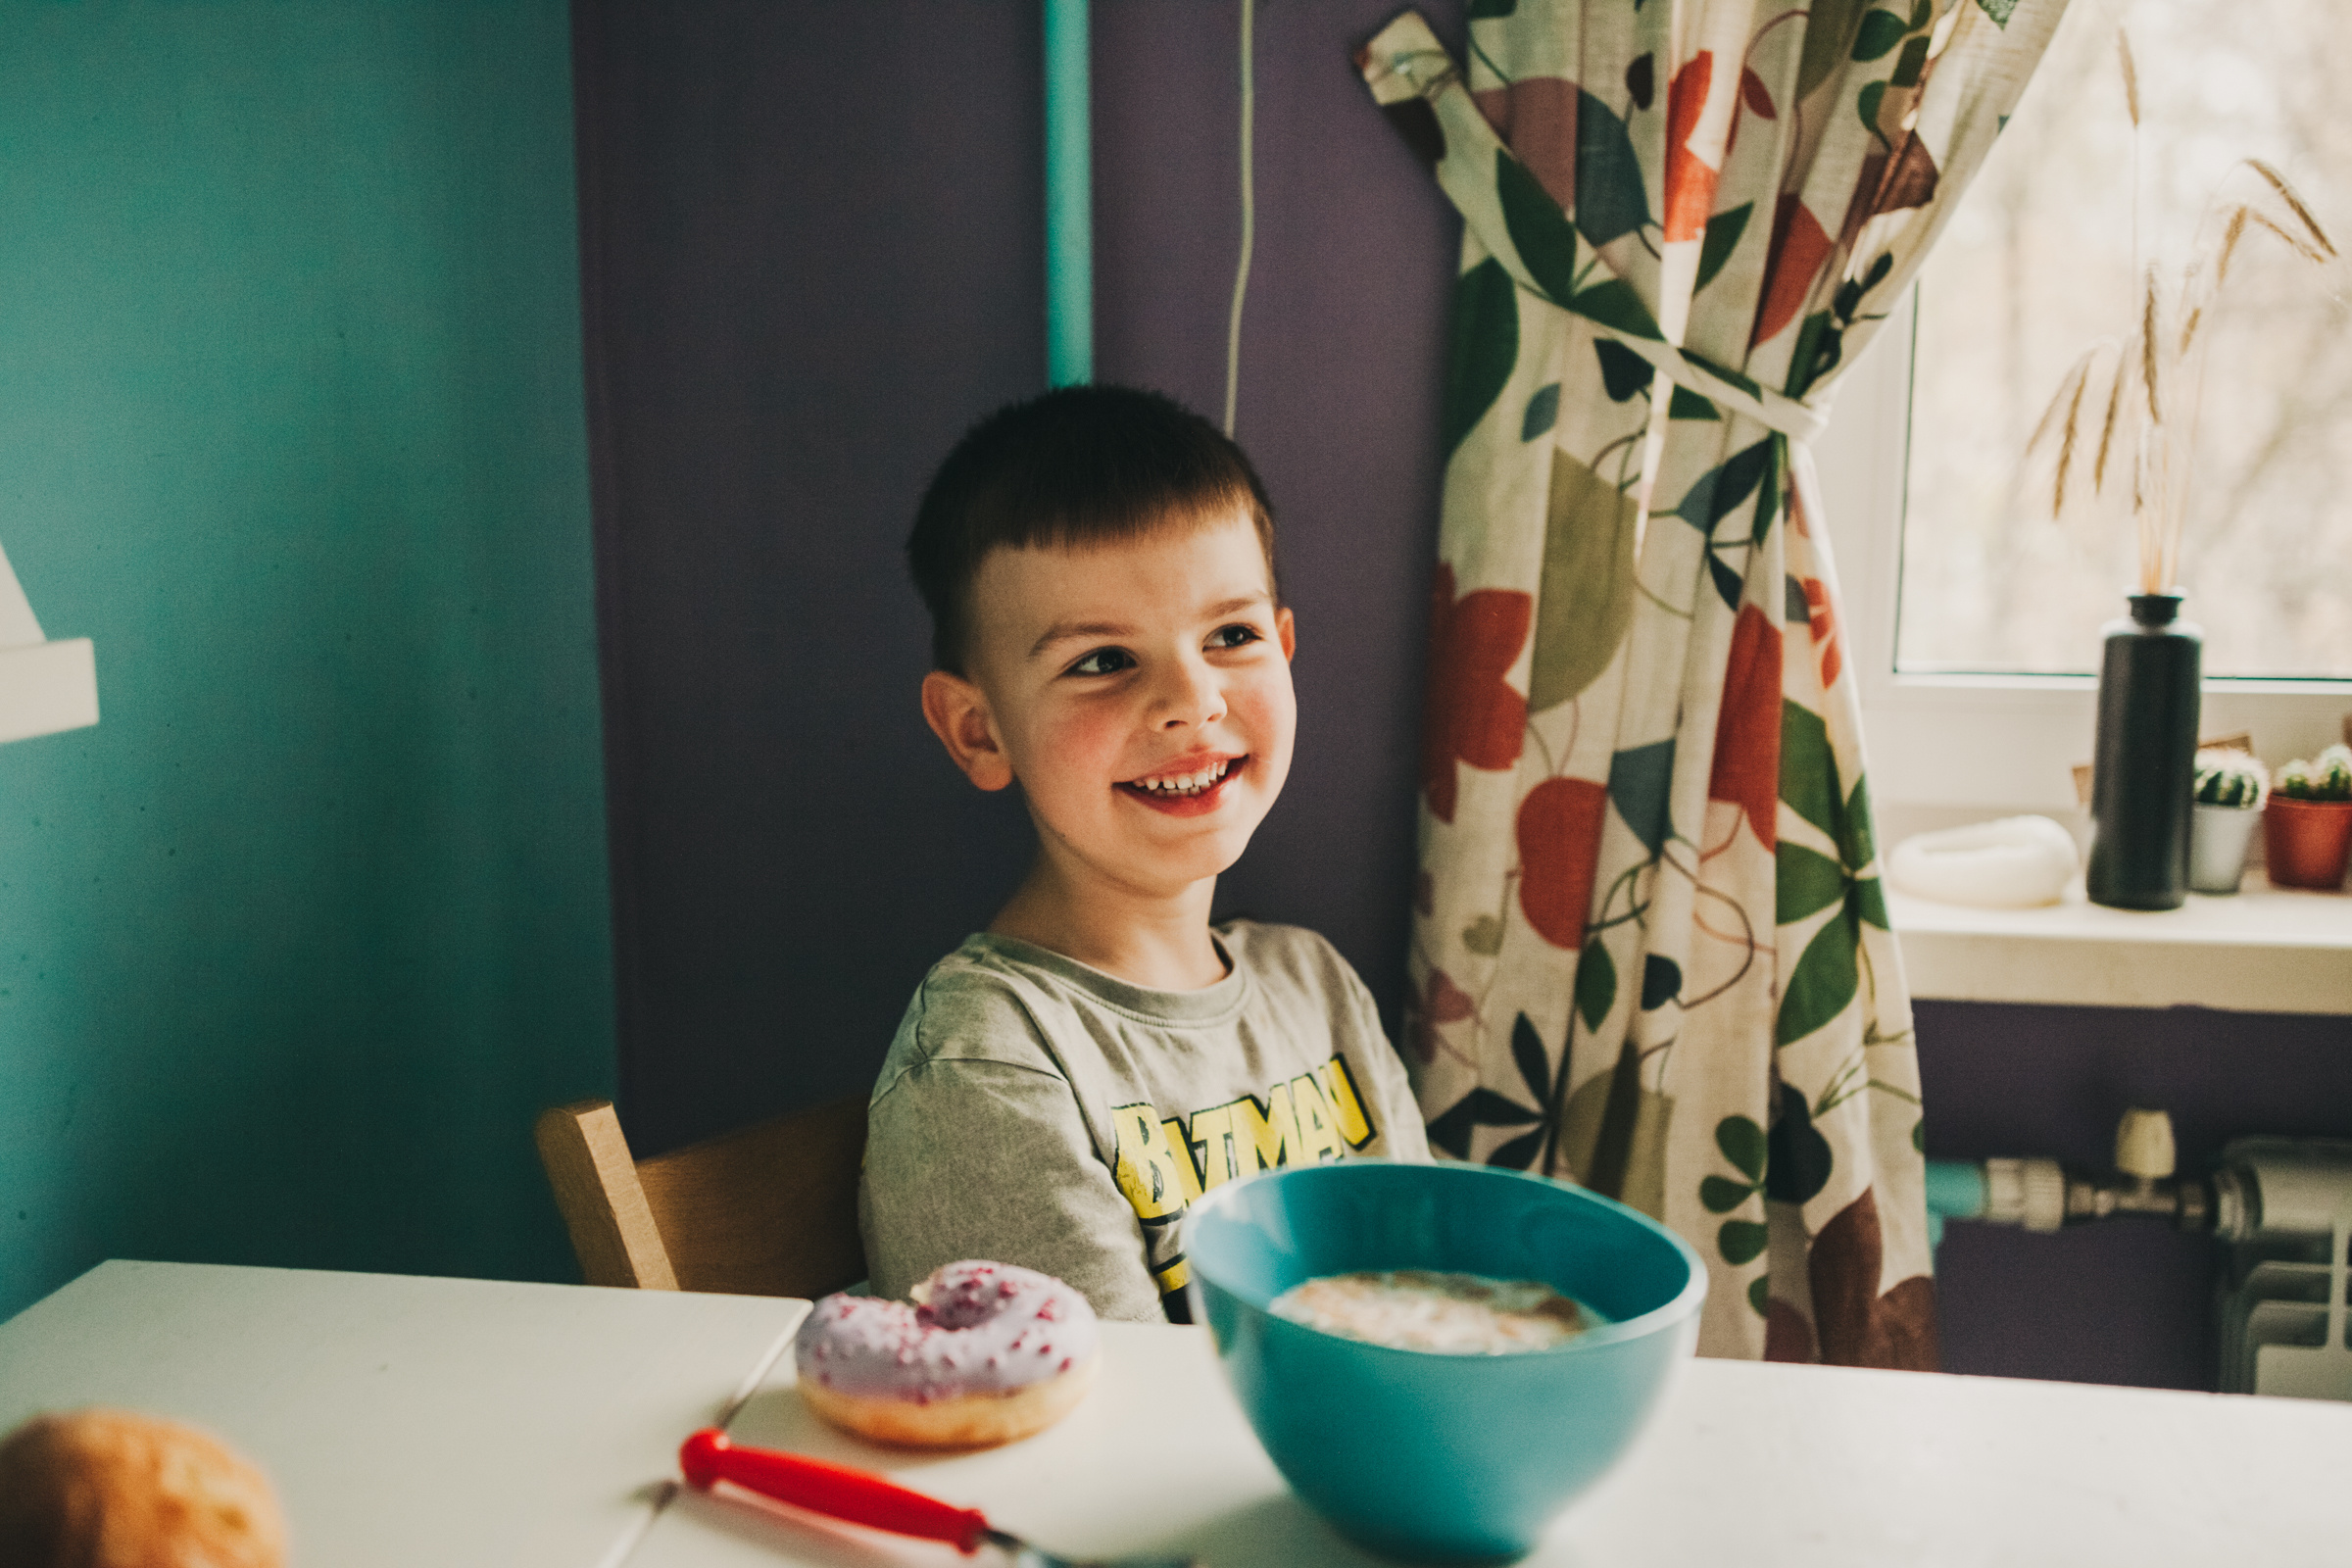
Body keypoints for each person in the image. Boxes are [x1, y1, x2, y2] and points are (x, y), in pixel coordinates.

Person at [859, 385, 1430, 1324]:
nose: (1191, 699)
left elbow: (1422, 1309)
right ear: (979, 731)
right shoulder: (993, 1067)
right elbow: (1101, 1443)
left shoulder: (1316, 989)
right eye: (1101, 661)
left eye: (1232, 636)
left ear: (1284, 649)